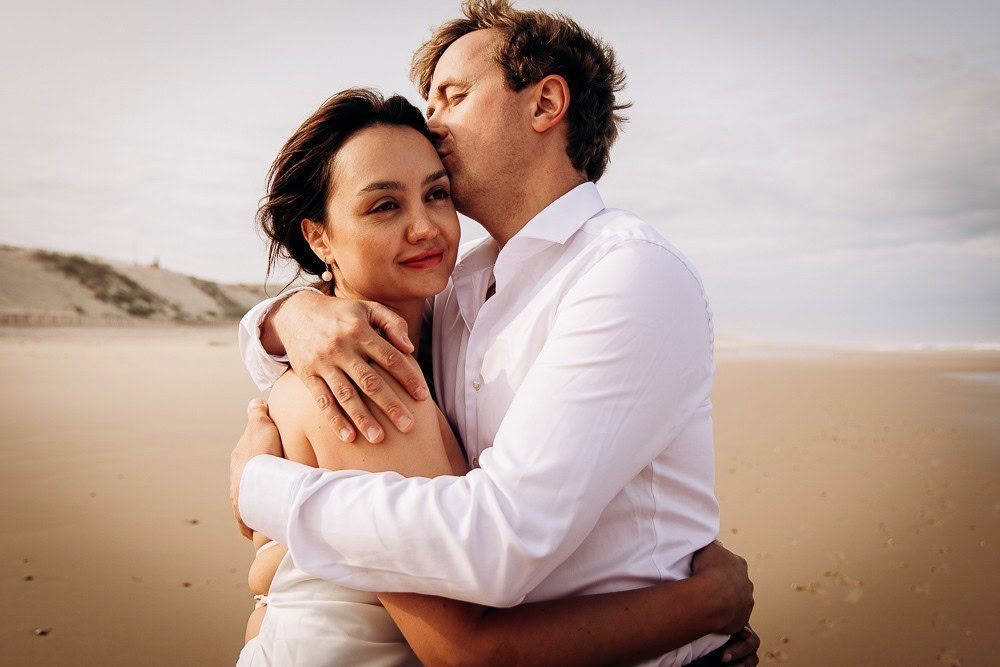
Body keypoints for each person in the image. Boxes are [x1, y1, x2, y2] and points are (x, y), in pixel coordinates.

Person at [232, 2, 759, 665]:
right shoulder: (461, 282)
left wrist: (261, 488)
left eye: (452, 96)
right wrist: (286, 317)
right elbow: (337, 331)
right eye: (387, 203)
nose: (431, 123)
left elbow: (499, 544)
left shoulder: (625, 273)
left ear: (546, 104)